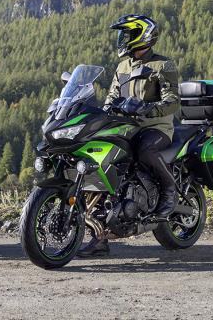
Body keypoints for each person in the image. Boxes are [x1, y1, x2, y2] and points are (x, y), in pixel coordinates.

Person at [78, 14, 181, 257]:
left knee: (145, 149)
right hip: (125, 126)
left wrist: (149, 108)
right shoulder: (123, 66)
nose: (122, 39)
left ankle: (169, 190)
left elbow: (173, 100)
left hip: (155, 127)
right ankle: (100, 236)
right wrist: (101, 114)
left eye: (127, 34)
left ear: (142, 36)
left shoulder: (163, 65)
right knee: (101, 166)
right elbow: (112, 97)